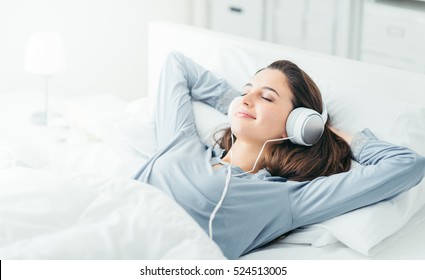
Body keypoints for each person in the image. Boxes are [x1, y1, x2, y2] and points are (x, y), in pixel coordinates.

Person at [134, 51, 425, 259]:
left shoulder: (285, 199)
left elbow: (408, 164)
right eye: (247, 91)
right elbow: (177, 64)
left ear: (297, 124)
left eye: (267, 97)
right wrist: (239, 105)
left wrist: (328, 131)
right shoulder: (180, 140)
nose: (246, 98)